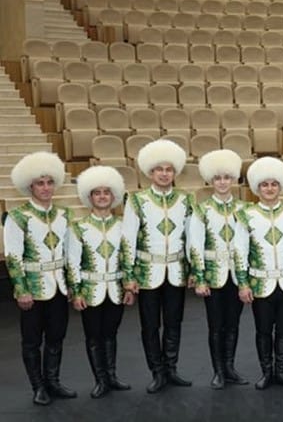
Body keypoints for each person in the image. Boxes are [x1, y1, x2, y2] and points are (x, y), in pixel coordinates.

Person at [121, 139, 195, 393]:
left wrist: (193, 269)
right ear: (150, 172)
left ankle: (171, 368)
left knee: (174, 323)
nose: (164, 174)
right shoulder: (137, 200)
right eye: (159, 169)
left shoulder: (186, 200)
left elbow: (191, 237)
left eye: (169, 169)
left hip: (176, 272)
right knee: (150, 325)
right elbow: (128, 239)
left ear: (175, 172)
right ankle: (157, 371)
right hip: (147, 274)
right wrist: (128, 276)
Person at [5, 152, 76, 405]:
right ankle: (38, 386)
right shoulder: (17, 217)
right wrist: (21, 289)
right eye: (39, 183)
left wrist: (72, 285)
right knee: (32, 340)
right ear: (30, 186)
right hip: (33, 289)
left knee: (57, 336)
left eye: (49, 182)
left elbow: (70, 253)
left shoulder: (64, 214)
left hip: (59, 287)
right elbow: (13, 257)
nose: (45, 188)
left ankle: (53, 381)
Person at [234, 157, 283, 390]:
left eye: (274, 184)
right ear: (257, 187)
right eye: (264, 184)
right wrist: (243, 284)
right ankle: (266, 372)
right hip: (260, 283)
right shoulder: (246, 215)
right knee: (263, 330)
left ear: (280, 186)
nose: (269, 189)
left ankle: (281, 371)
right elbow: (240, 251)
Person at [186, 149, 249, 390]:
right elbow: (195, 245)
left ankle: (230, 367)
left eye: (227, 177)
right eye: (217, 178)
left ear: (233, 180)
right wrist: (200, 277)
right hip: (212, 275)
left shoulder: (244, 208)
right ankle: (218, 371)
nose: (222, 182)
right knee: (215, 324)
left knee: (233, 323)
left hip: (237, 274)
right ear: (210, 181)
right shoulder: (201, 210)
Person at [67, 166, 132, 399]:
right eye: (97, 192)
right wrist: (76, 292)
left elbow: (127, 257)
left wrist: (128, 286)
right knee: (93, 335)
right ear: (89, 197)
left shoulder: (123, 226)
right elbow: (73, 262)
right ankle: (100, 379)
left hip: (115, 289)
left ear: (114, 196)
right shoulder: (78, 227)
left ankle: (112, 375)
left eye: (106, 192)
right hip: (91, 291)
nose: (102, 196)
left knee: (111, 334)